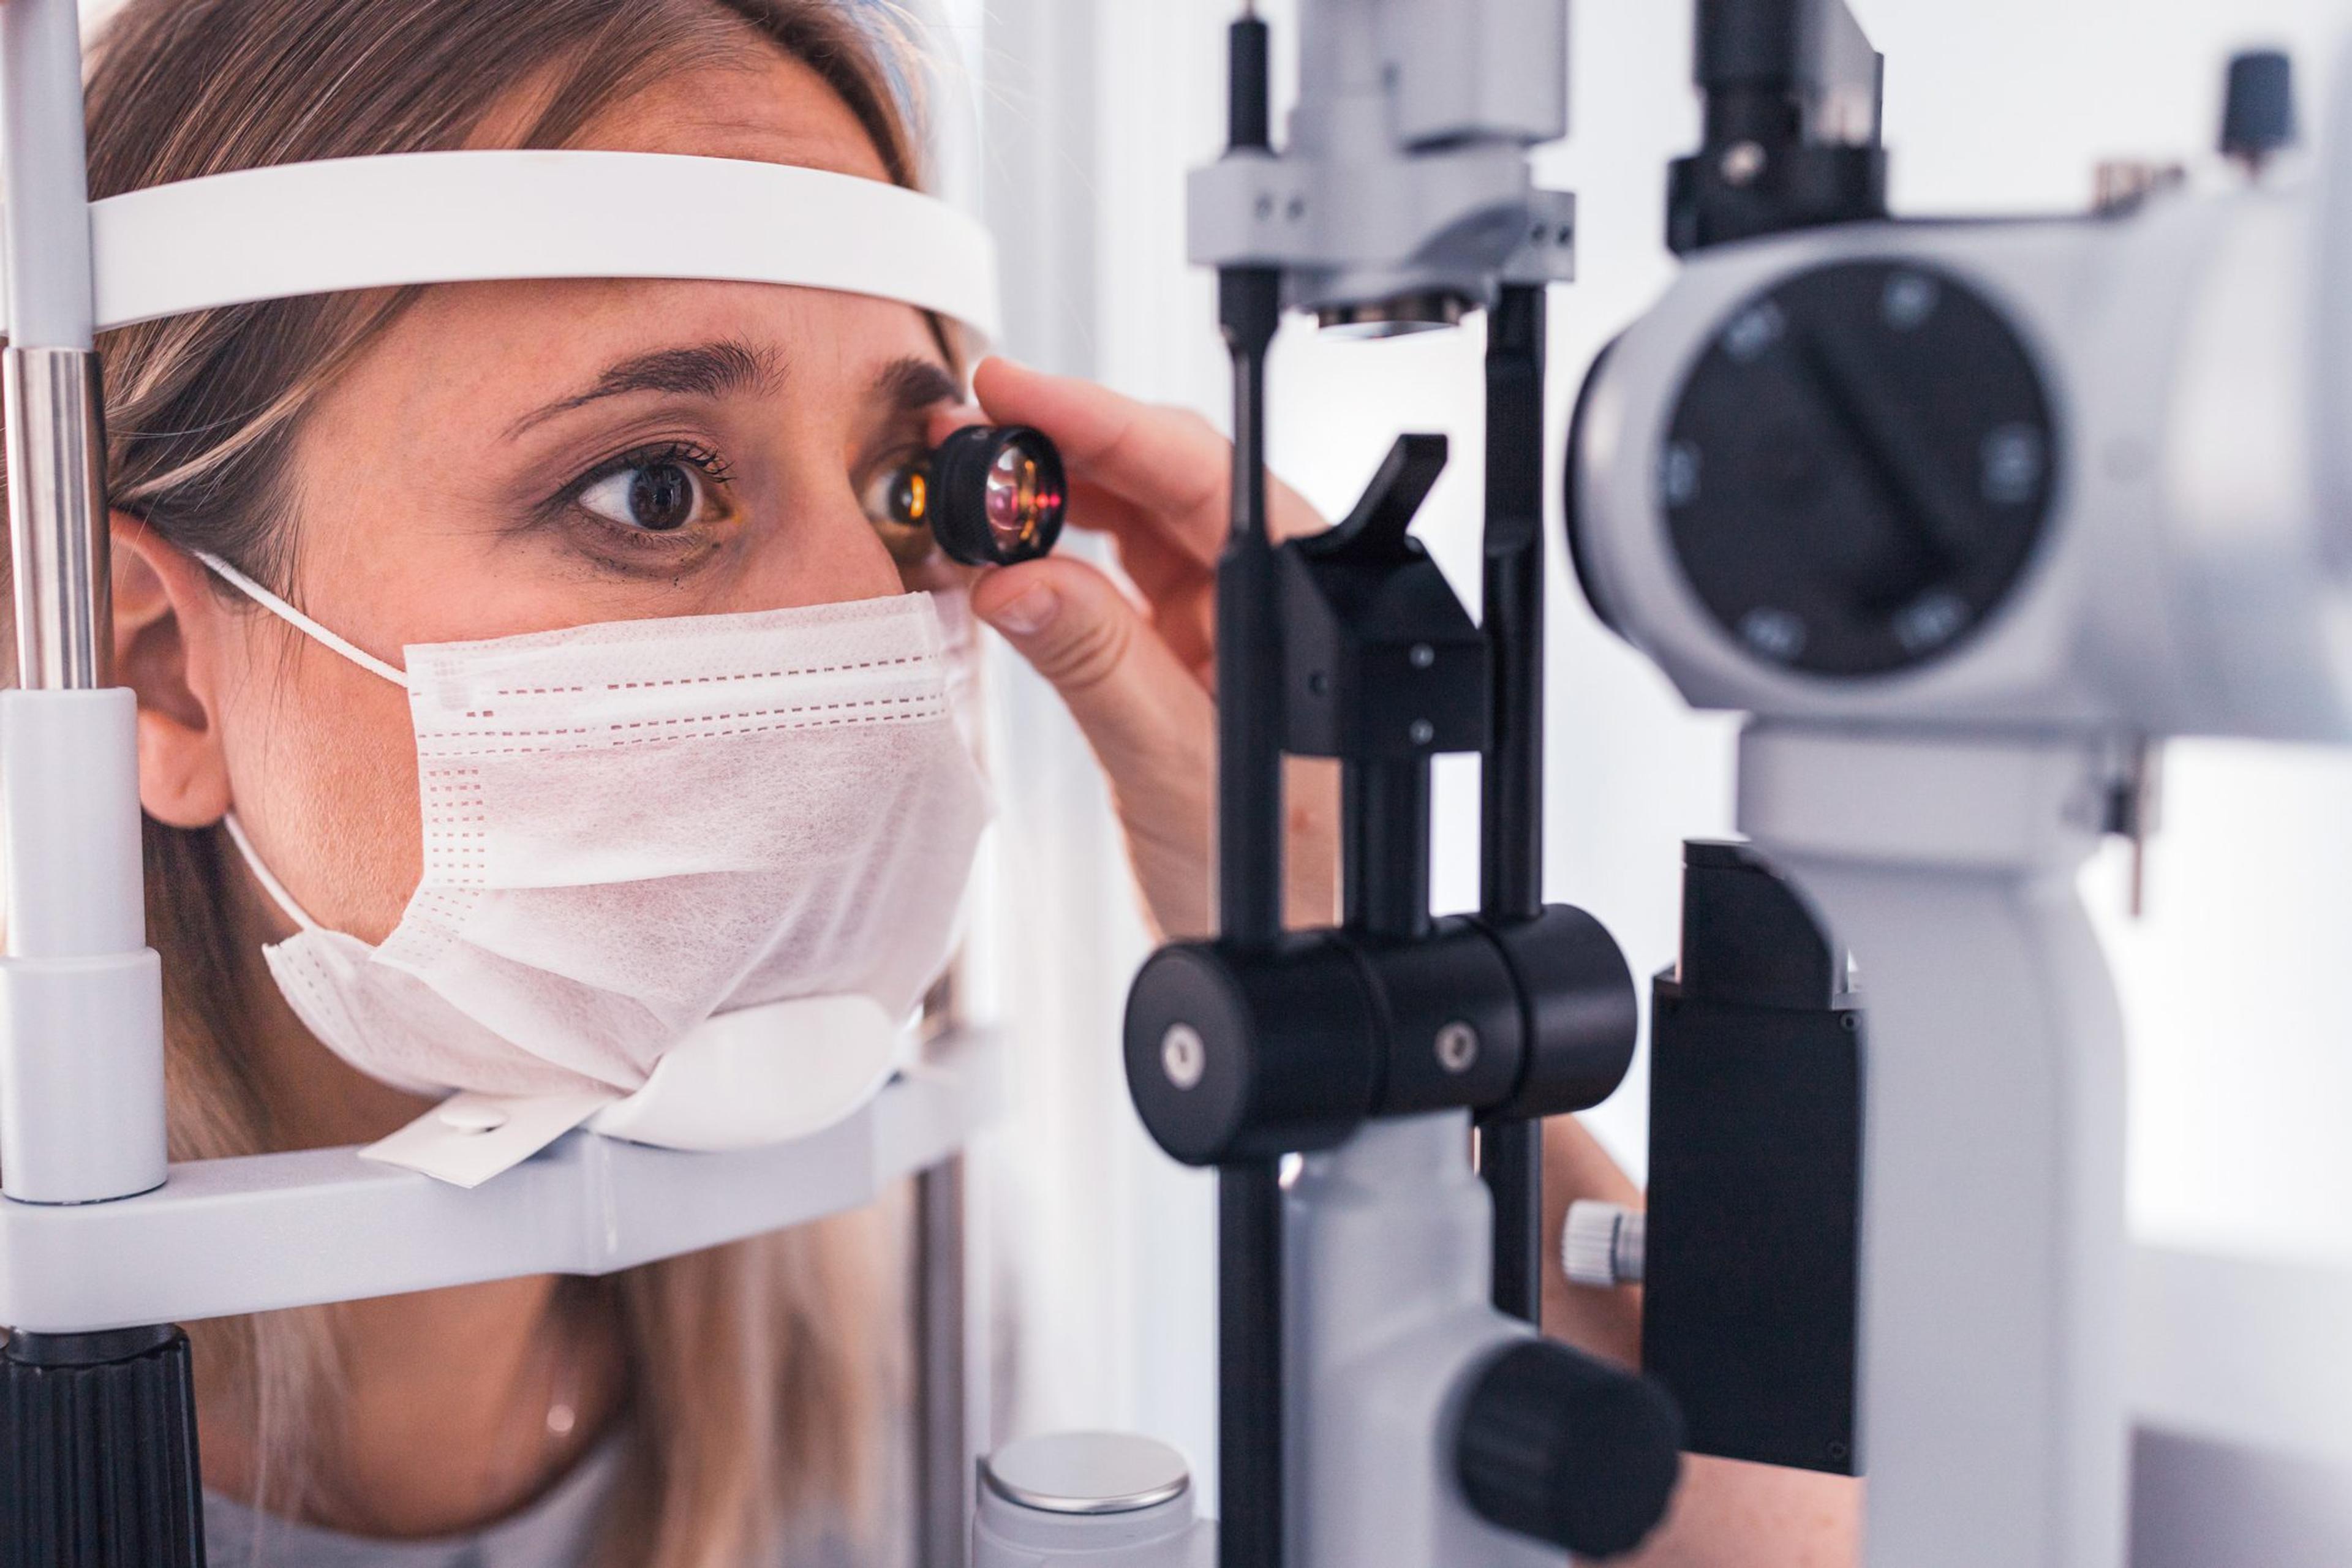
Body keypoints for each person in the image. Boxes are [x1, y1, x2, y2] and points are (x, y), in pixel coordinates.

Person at [2, 0, 1858, 1562]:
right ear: (161, 666)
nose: (870, 628)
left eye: (914, 496)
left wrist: (1354, 969)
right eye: (654, 486)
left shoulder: (885, 1337)